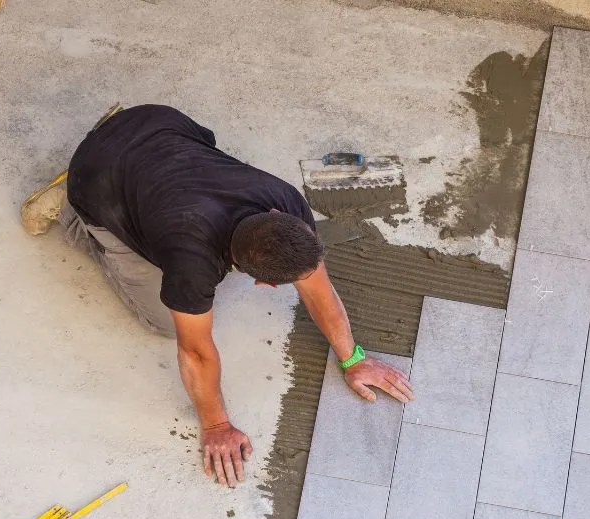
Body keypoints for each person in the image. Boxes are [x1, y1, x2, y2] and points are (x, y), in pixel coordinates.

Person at [22, 104, 414, 488]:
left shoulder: (288, 204)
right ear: (263, 284)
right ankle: (69, 210)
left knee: (174, 200)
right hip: (95, 175)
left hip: (153, 122)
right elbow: (195, 353)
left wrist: (353, 358)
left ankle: (115, 142)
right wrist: (216, 425)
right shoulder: (192, 261)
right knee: (163, 321)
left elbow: (319, 290)